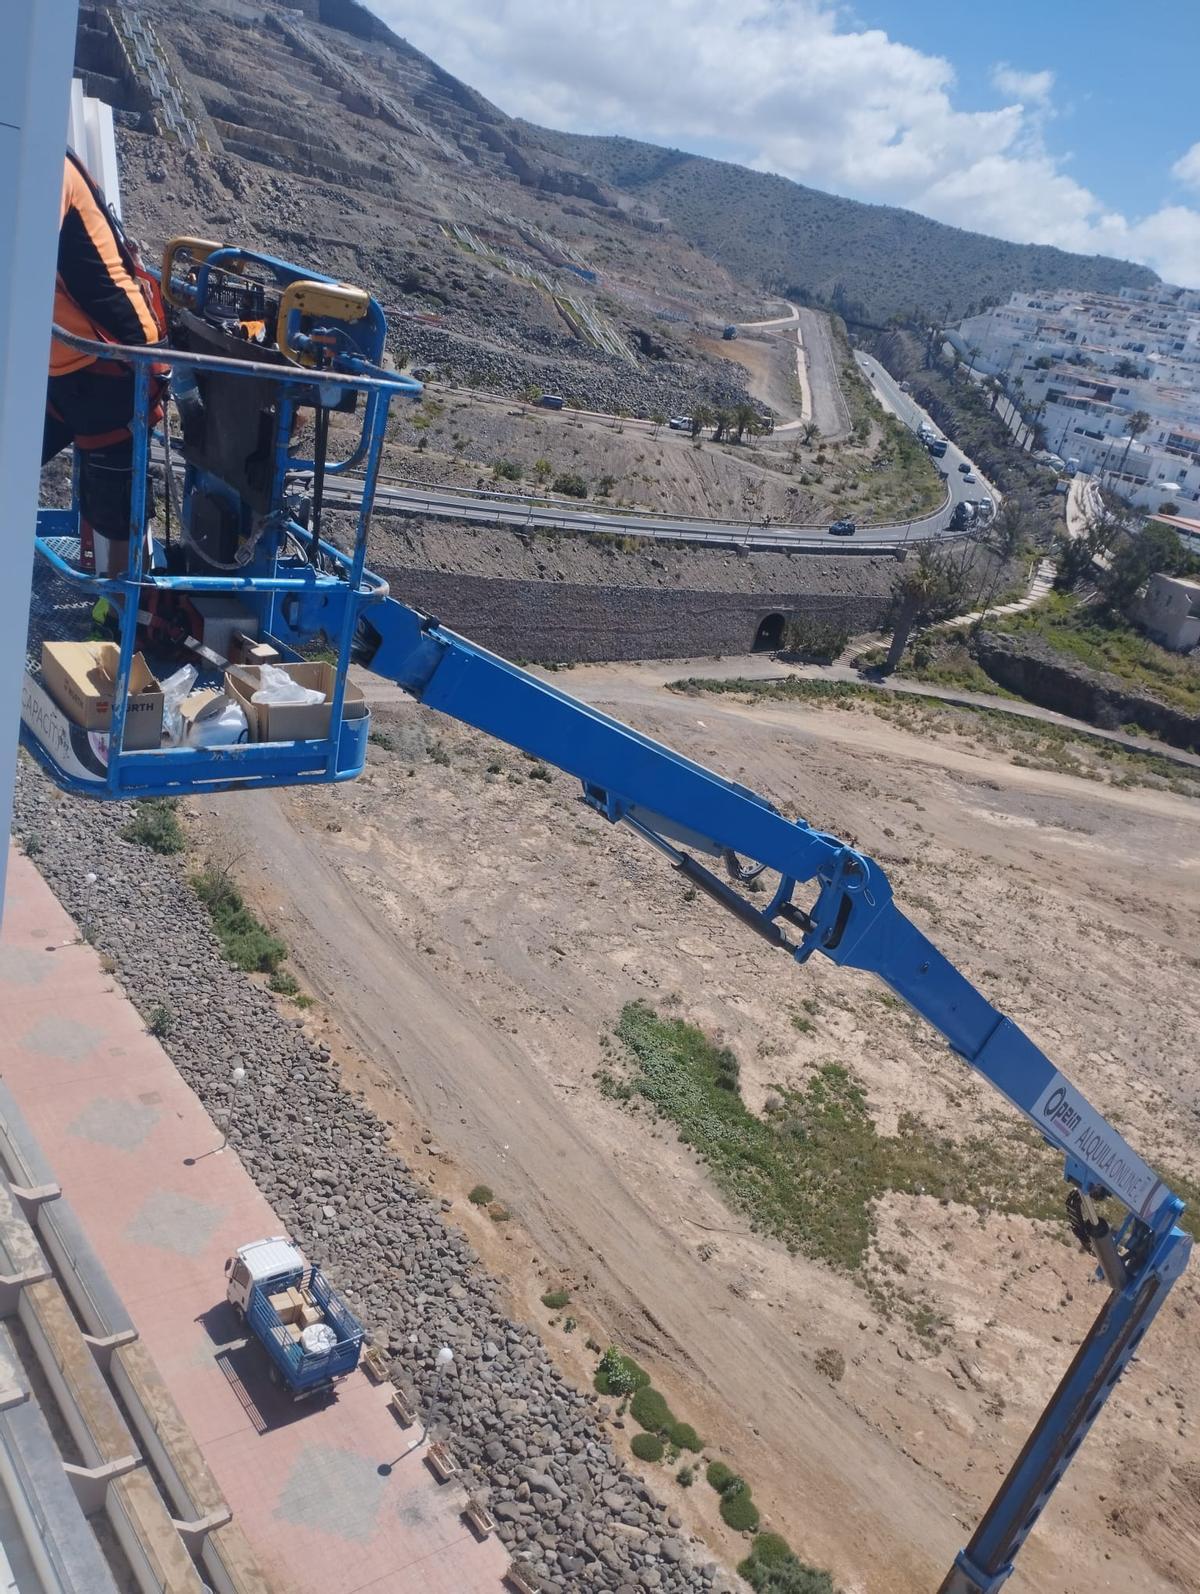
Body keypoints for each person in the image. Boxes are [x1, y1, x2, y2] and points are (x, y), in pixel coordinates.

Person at [43, 150, 166, 580]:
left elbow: (24, 249)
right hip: (71, 363)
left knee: (114, 504)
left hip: (117, 362)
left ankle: (123, 608)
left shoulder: (48, 167)